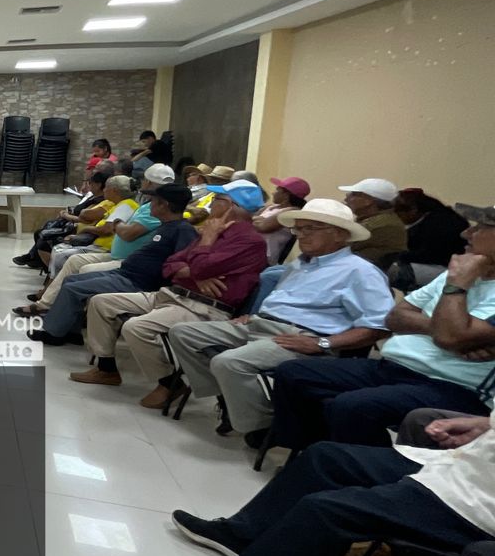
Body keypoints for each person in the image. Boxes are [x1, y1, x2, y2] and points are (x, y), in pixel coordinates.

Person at [145, 423, 495, 556]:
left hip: (478, 501)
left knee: (327, 510)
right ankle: (244, 535)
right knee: (325, 456)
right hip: (466, 465)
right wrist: (483, 425)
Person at [268, 203, 495, 451]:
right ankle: (311, 451)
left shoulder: (459, 276)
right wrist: (446, 328)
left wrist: (457, 286)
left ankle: (359, 465)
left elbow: (448, 336)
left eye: (480, 228)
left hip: (450, 384)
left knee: (353, 406)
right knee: (293, 373)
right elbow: (395, 318)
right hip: (393, 366)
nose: (466, 233)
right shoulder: (456, 273)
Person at [169, 199, 394, 445]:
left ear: (340, 234)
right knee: (183, 333)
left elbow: (379, 327)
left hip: (300, 337)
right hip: (261, 324)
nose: (301, 235)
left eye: (310, 228)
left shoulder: (361, 272)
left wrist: (323, 343)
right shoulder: (301, 263)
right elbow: (284, 301)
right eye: (299, 228)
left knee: (228, 362)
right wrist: (256, 316)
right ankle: (232, 400)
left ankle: (264, 425)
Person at [74, 181, 271, 405]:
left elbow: (201, 267)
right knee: (101, 303)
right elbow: (170, 263)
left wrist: (204, 249)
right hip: (174, 294)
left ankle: (169, 382)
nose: (211, 204)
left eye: (217, 200)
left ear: (233, 207)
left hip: (202, 307)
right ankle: (106, 368)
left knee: (136, 327)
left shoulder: (249, 241)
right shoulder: (214, 230)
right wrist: (194, 272)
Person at [27, 180, 198, 345]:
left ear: (164, 205)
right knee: (71, 280)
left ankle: (53, 333)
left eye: (153, 200)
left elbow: (182, 263)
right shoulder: (165, 226)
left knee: (74, 288)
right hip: (127, 273)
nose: (150, 204)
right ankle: (71, 331)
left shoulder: (182, 230)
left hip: (137, 282)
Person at [392, 189, 472, 291]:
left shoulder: (440, 224)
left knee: (394, 273)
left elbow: (429, 255)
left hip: (445, 267)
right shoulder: (434, 217)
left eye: (398, 215)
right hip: (435, 263)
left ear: (413, 210)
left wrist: (396, 255)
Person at [340, 178, 409, 266]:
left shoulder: (380, 225)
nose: (346, 197)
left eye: (354, 194)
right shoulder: (379, 220)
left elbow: (335, 248)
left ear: (368, 201)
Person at [251, 176, 309, 265]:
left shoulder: (291, 212)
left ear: (286, 195)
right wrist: (259, 220)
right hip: (252, 249)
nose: (273, 193)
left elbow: (263, 227)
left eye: (277, 190)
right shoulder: (271, 207)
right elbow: (248, 218)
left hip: (264, 257)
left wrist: (259, 220)